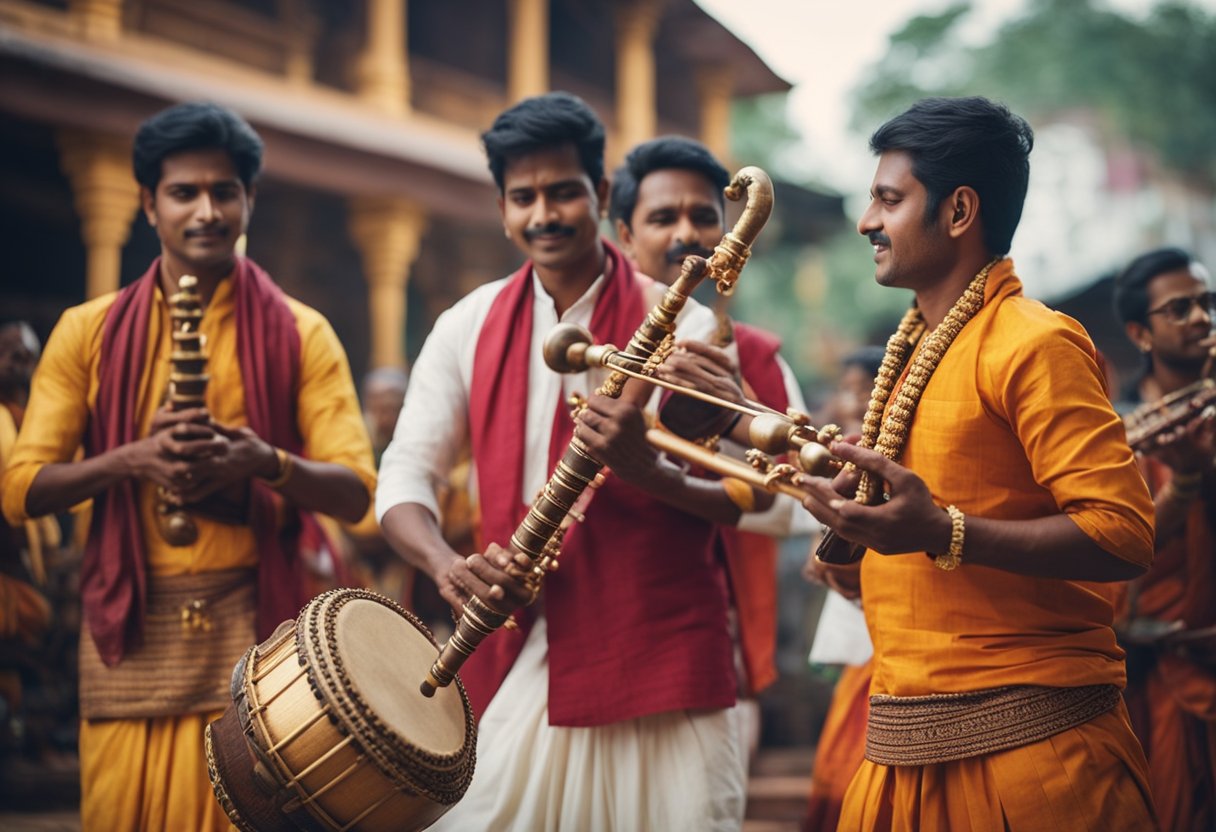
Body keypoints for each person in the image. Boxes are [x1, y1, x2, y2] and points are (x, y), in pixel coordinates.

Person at [1, 102, 375, 831]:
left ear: (249, 200)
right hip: (127, 629)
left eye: (224, 191)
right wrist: (133, 459)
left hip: (254, 634)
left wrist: (264, 461)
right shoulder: (88, 332)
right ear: (148, 204)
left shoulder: (303, 332)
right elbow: (20, 490)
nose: (206, 211)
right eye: (183, 192)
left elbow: (356, 490)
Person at [376, 92, 746, 830]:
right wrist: (447, 568)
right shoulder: (466, 325)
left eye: (563, 193)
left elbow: (745, 497)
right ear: (503, 207)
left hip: (658, 643)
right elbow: (403, 477)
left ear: (601, 195)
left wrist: (646, 470)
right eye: (524, 198)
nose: (543, 215)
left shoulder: (686, 321)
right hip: (517, 640)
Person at [796, 97, 1158, 829]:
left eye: (889, 199)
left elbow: (1124, 533)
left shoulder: (1034, 343)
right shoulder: (910, 352)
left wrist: (943, 530)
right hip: (897, 755)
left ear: (959, 211)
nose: (867, 221)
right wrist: (851, 539)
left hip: (1033, 764)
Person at [609, 134, 813, 767]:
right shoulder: (579, 341)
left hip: (705, 637)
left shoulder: (752, 355)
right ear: (623, 236)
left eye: (704, 217)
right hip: (575, 624)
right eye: (663, 217)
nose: (687, 234)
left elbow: (793, 503)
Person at [1113, 246, 1216, 832]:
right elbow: (1118, 547)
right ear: (1140, 333)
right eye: (1179, 309)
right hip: (1151, 671)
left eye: (1206, 304)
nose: (1201, 318)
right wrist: (1188, 482)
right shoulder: (1117, 432)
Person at [800, 345, 885, 832]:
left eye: (864, 390)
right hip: (858, 644)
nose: (851, 404)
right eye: (846, 392)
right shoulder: (839, 461)